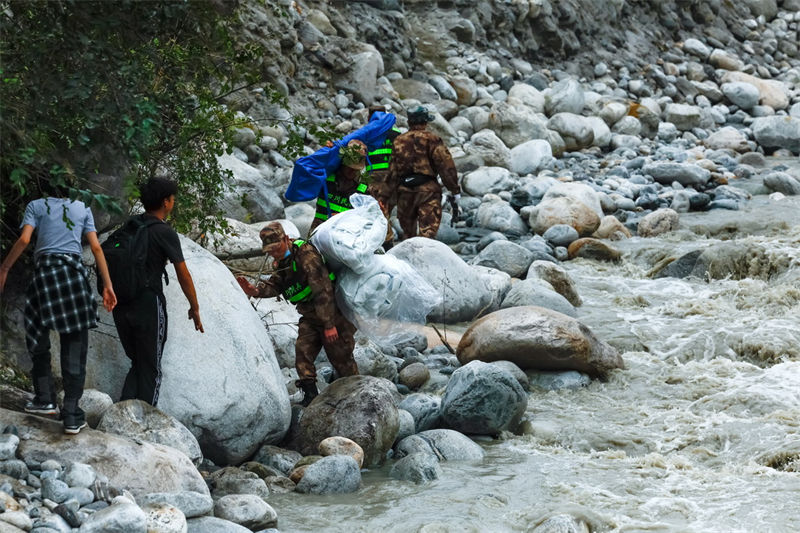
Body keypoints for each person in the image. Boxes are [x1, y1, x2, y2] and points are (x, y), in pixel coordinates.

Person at [0, 189, 117, 434]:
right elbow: (96, 248)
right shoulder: (82, 207)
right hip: (73, 277)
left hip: (45, 275)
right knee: (75, 346)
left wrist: (4, 268)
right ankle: (72, 415)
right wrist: (107, 285)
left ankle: (45, 399)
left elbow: (23, 240)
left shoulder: (36, 205)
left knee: (37, 336)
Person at [236, 222, 358, 406]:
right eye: (269, 250)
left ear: (286, 239)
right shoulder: (283, 261)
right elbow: (277, 284)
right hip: (310, 317)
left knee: (341, 359)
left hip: (333, 315)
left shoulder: (306, 256)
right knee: (302, 353)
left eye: (276, 248)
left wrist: (329, 325)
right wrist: (256, 291)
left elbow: (323, 290)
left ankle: (357, 394)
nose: (273, 253)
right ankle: (311, 398)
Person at [112, 178, 204, 406]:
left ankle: (121, 413)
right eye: (173, 199)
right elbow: (183, 274)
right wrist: (195, 306)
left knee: (138, 362)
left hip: (121, 303)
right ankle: (145, 421)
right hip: (147, 304)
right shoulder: (164, 232)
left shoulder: (130, 226)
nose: (173, 202)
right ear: (166, 202)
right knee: (151, 368)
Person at [382, 106, 461, 240]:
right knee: (427, 235)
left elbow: (392, 171)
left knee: (408, 236)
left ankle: (407, 259)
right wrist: (454, 190)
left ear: (409, 122)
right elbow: (446, 167)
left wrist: (386, 197)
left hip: (405, 192)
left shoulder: (398, 141)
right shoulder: (433, 140)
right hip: (428, 192)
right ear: (425, 122)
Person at [308, 139, 368, 235]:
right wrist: (326, 152)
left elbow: (366, 219)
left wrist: (342, 219)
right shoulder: (327, 176)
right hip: (319, 229)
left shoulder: (364, 186)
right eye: (349, 167)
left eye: (356, 169)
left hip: (346, 234)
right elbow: (308, 172)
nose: (352, 171)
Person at [365, 105, 402, 250]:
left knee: (381, 211)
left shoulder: (368, 131)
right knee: (387, 209)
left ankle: (387, 243)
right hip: (393, 176)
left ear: (370, 117)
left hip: (375, 177)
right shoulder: (396, 132)